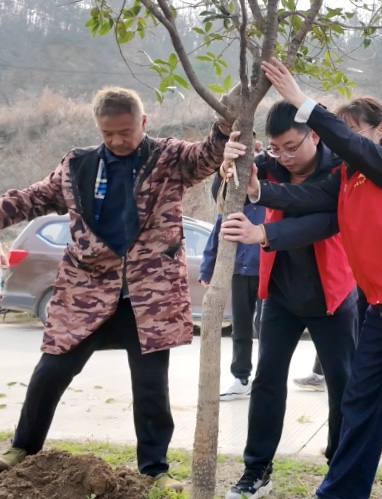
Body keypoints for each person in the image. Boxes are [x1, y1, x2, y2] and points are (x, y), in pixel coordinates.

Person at [224, 57, 382, 499]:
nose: (345, 142)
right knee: (360, 402)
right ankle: (340, 491)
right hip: (378, 307)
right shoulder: (350, 176)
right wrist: (257, 191)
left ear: (380, 130)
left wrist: (303, 103)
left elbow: (355, 154)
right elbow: (309, 197)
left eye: (352, 131)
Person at [0, 86, 233, 490]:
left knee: (151, 385)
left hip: (148, 298)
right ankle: (22, 447)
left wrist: (227, 123)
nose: (118, 140)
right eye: (108, 133)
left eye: (126, 132)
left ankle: (155, 470)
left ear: (143, 122)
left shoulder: (169, 158)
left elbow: (208, 154)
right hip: (86, 294)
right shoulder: (78, 165)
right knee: (51, 371)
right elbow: (31, 199)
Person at [220, 100, 358, 499]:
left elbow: (324, 216)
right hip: (280, 292)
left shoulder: (341, 168)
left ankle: (339, 469)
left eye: (292, 147)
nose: (285, 157)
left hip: (332, 295)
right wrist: (228, 170)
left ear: (315, 134)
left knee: (343, 383)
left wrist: (264, 227)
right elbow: (228, 200)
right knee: (266, 380)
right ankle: (256, 469)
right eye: (277, 148)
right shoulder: (269, 165)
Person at [199, 174, 265, 401]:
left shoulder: (269, 204)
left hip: (267, 274)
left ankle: (265, 378)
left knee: (266, 328)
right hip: (239, 273)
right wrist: (206, 270)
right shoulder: (232, 208)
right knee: (241, 327)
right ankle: (241, 378)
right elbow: (216, 237)